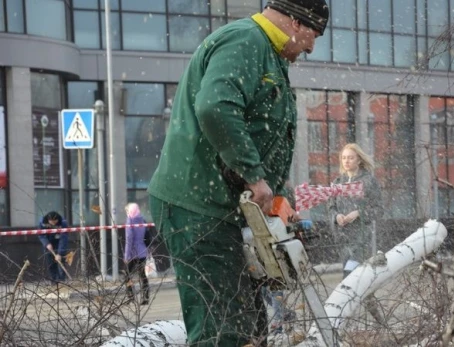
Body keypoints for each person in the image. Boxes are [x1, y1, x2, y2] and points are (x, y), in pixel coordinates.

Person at [147, 1, 329, 345]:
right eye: (313, 35)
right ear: (295, 21)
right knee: (223, 328)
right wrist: (253, 176)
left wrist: (278, 194)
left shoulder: (269, 54)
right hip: (199, 207)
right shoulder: (246, 42)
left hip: (221, 209)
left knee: (248, 325)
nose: (311, 46)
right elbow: (215, 107)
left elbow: (262, 136)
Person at [330, 143, 384, 278]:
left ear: (359, 160)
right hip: (343, 240)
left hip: (362, 239)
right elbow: (331, 207)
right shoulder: (337, 182)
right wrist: (337, 216)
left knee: (349, 278)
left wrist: (359, 213)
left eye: (350, 158)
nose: (346, 161)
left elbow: (379, 209)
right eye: (344, 158)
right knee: (356, 282)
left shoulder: (369, 181)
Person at [123, 202, 149, 305]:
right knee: (142, 275)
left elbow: (129, 240)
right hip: (142, 252)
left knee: (127, 275)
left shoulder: (130, 221)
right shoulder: (142, 220)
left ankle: (130, 297)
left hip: (133, 253)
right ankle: (145, 298)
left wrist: (126, 255)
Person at [38, 211, 69, 284]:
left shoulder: (63, 223)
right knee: (50, 263)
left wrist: (60, 253)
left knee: (61, 261)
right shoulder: (42, 222)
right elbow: (41, 235)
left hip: (59, 243)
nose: (53, 223)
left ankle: (62, 280)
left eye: (55, 221)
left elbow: (64, 238)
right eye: (51, 221)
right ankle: (54, 281)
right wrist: (47, 244)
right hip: (49, 244)